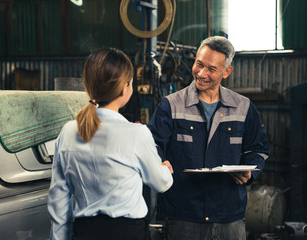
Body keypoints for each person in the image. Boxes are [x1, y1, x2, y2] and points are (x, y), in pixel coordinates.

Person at [147, 36, 270, 240]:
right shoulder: (170, 106)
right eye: (198, 64)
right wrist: (159, 161)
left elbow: (258, 149)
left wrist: (249, 171)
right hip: (183, 216)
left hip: (229, 217)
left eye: (211, 69)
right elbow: (152, 146)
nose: (202, 73)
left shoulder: (244, 107)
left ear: (226, 71)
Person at [47, 48, 174, 240]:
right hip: (127, 233)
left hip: (84, 232)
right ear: (125, 88)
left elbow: (58, 199)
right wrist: (165, 169)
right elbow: (161, 183)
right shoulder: (137, 134)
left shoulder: (68, 132)